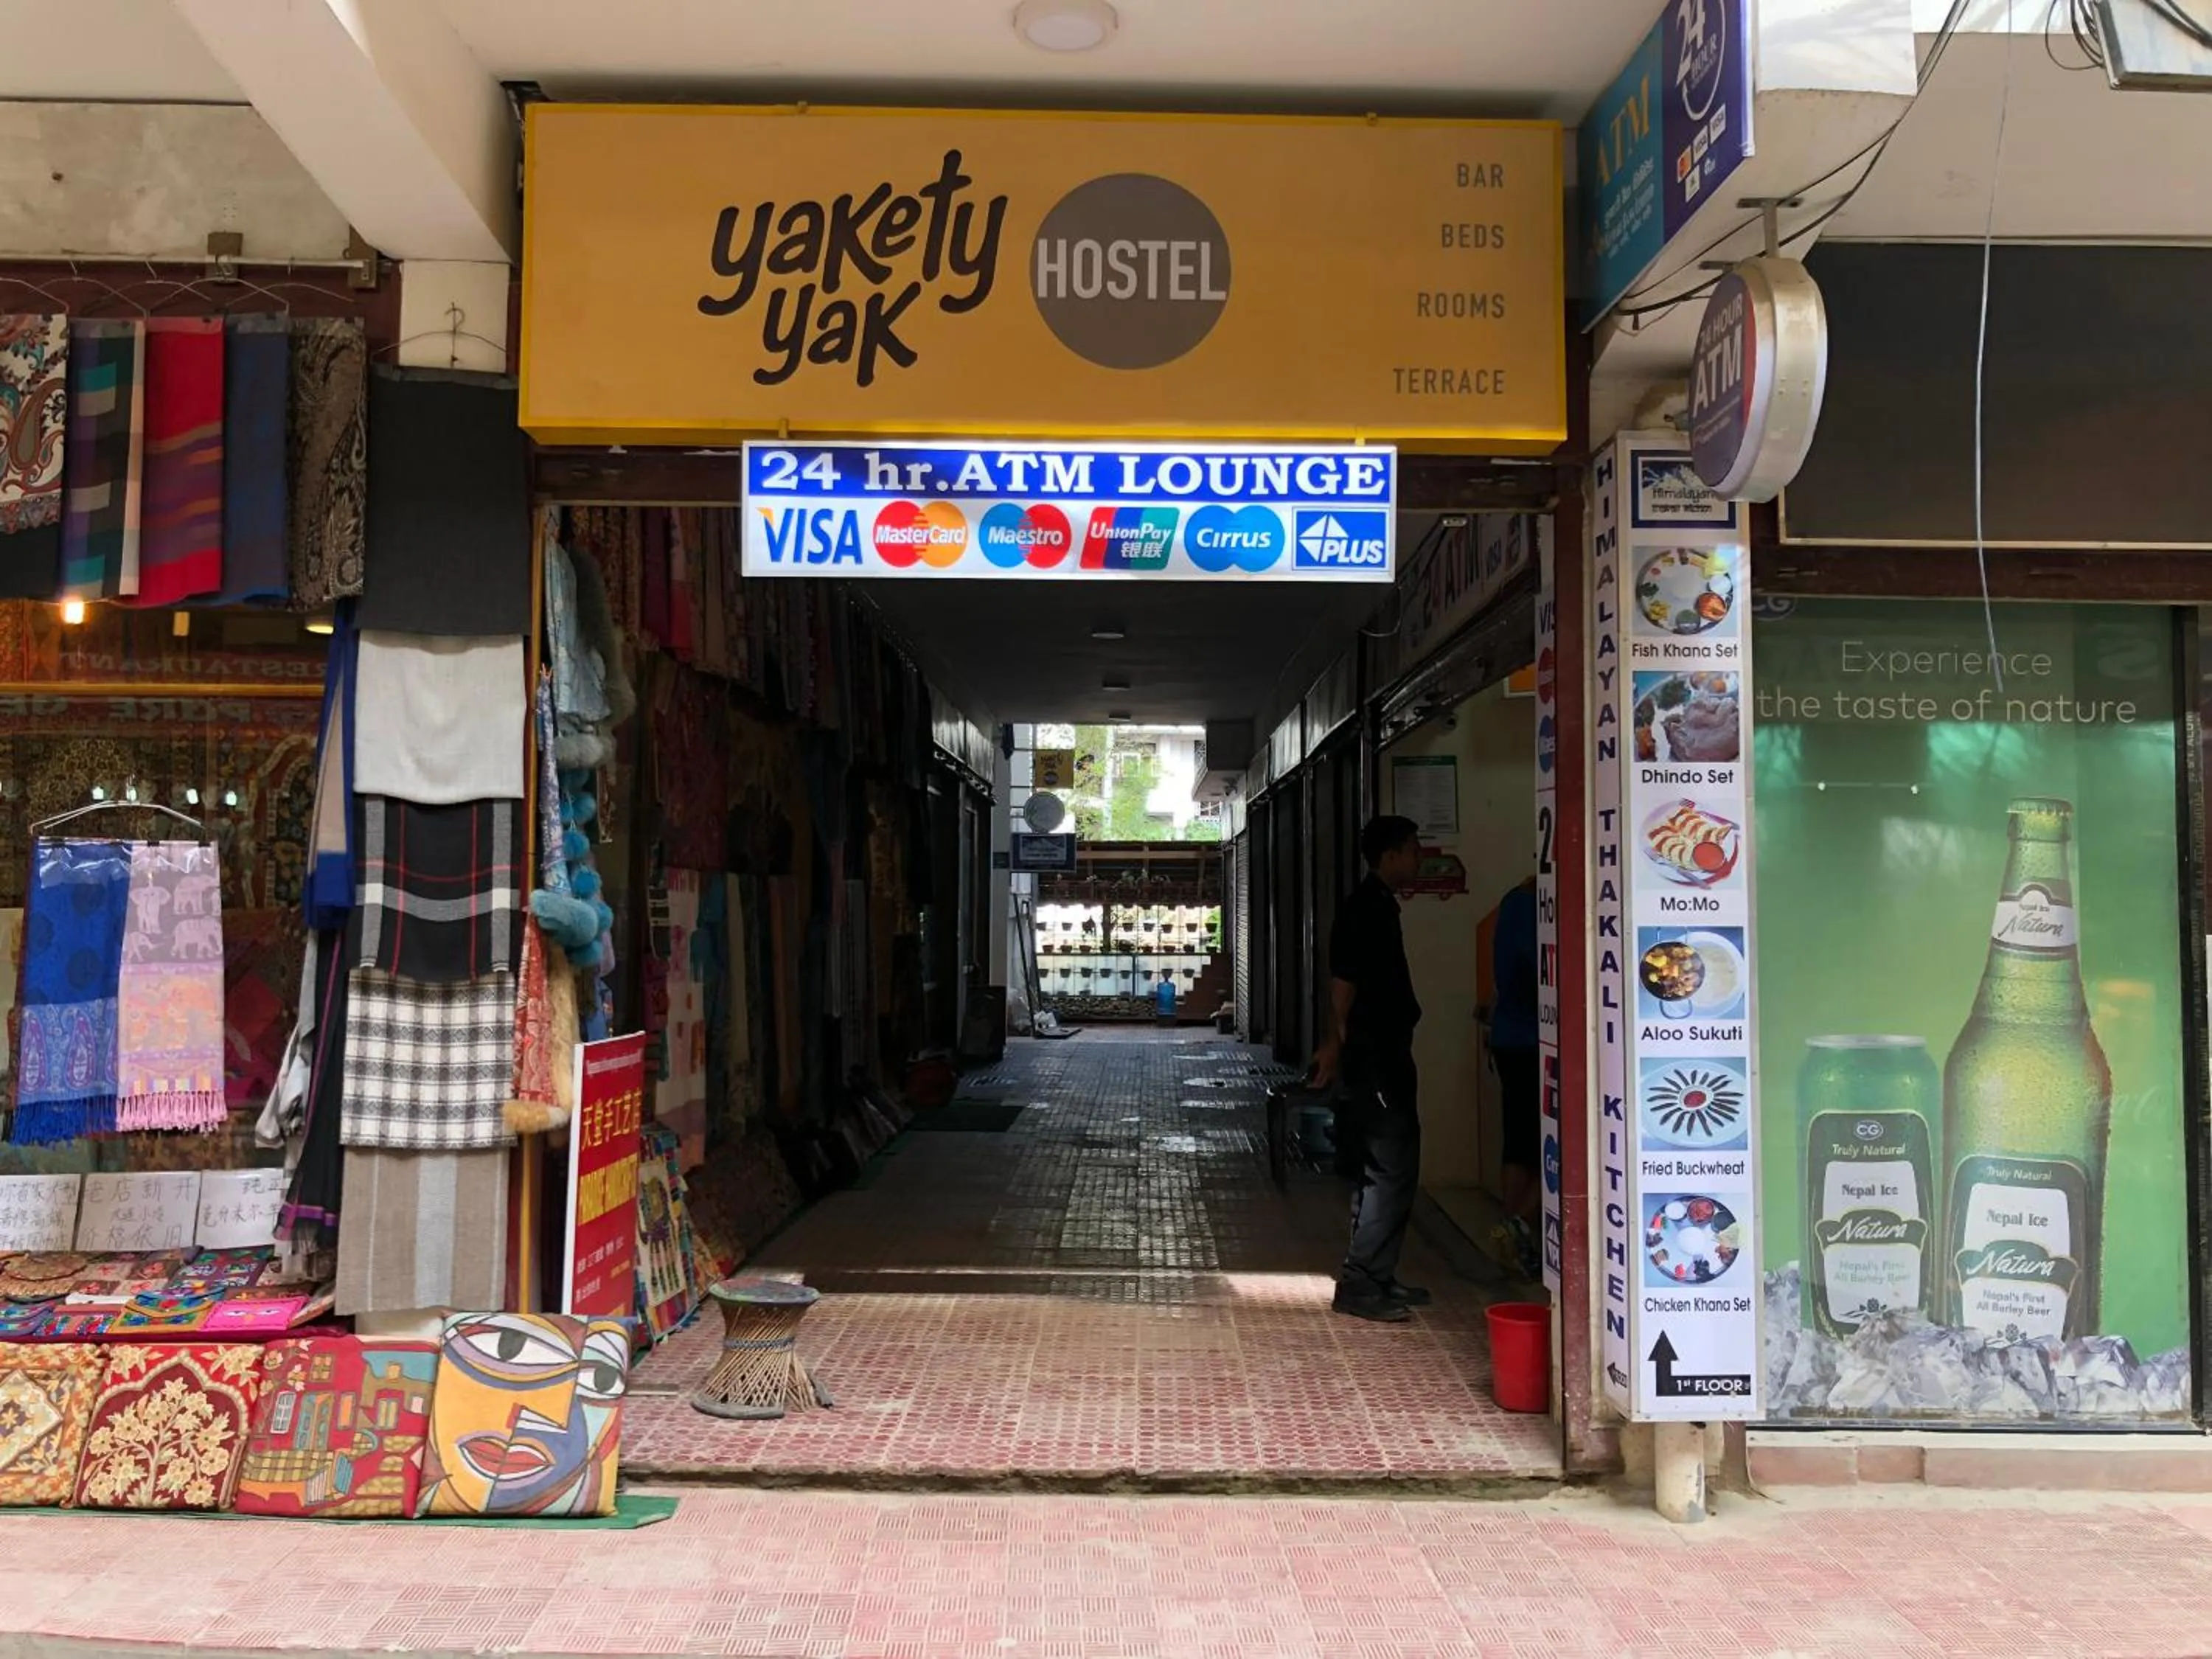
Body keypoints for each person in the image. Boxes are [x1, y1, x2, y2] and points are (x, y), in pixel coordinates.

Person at [1313, 815, 1427, 1324]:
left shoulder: (1380, 905)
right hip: (1374, 1060)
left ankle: (1377, 1275)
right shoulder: (1365, 910)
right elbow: (1344, 985)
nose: (1418, 859)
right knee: (1389, 1169)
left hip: (1385, 1055)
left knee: (1381, 1171)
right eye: (1412, 850)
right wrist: (1337, 1047)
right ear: (1390, 856)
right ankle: (1360, 1283)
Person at [1488, 874, 1543, 1281]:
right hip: (1533, 1042)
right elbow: (1534, 973)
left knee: (1518, 1141)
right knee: (1558, 1143)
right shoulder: (1535, 908)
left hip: (1508, 1037)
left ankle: (1511, 1231)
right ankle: (1517, 1225)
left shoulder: (1510, 902)